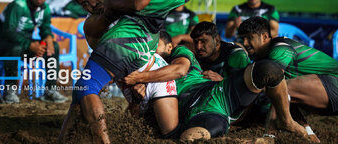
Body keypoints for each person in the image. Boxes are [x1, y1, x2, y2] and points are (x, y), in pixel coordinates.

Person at [59, 0, 195, 144]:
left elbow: (135, 3)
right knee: (80, 91)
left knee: (86, 87)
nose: (91, 4)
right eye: (85, 4)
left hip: (145, 61)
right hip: (137, 63)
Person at [124, 31, 307, 141]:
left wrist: (142, 77)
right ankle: (247, 141)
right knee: (189, 138)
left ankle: (286, 120)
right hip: (199, 113)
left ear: (170, 47)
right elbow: (133, 120)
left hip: (216, 93)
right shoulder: (140, 75)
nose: (149, 50)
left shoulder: (178, 54)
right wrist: (135, 100)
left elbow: (179, 70)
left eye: (155, 45)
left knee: (268, 68)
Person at [0, 0, 68, 104]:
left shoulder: (45, 8)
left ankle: (50, 90)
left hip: (22, 44)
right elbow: (8, 32)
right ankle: (9, 90)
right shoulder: (18, 5)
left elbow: (45, 28)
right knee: (16, 48)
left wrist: (49, 39)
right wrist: (30, 45)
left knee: (54, 47)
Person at [238, 16, 338, 116]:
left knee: (275, 89)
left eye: (250, 38)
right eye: (243, 39)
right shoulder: (261, 57)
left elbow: (266, 86)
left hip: (334, 83)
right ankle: (305, 130)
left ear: (264, 37)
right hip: (325, 91)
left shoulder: (280, 48)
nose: (245, 43)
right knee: (280, 90)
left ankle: (272, 130)